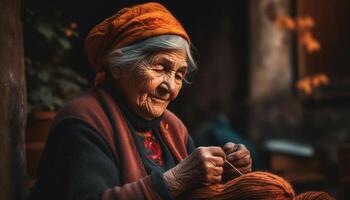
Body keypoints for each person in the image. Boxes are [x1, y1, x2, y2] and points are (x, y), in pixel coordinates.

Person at [28, 2, 252, 200]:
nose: (170, 87)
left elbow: (195, 193)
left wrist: (227, 172)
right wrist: (175, 180)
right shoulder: (82, 120)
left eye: (179, 75)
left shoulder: (173, 126)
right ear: (118, 66)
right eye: (160, 67)